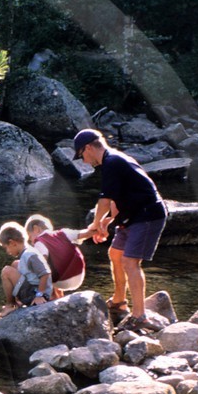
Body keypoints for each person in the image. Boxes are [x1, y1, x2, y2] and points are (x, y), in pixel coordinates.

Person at [72, 129, 168, 326]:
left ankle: (139, 315)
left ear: (88, 147)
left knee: (130, 261)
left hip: (147, 215)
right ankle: (119, 301)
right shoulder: (111, 161)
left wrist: (95, 224)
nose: (84, 161)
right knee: (115, 254)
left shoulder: (112, 162)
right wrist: (108, 221)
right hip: (132, 215)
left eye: (82, 155)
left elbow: (105, 200)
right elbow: (117, 198)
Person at [0, 220, 54, 316]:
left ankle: (11, 305)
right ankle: (17, 302)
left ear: (12, 243)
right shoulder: (27, 252)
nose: (7, 251)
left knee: (6, 271)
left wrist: (39, 295)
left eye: (6, 247)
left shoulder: (30, 255)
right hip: (33, 290)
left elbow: (46, 273)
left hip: (35, 294)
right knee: (15, 264)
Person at [24, 214, 87, 294]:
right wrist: (97, 228)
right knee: (56, 259)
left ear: (36, 229)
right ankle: (58, 295)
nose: (32, 243)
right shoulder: (63, 233)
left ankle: (50, 295)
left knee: (39, 268)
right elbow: (85, 233)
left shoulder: (39, 242)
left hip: (61, 281)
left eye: (30, 237)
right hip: (79, 275)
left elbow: (42, 265)